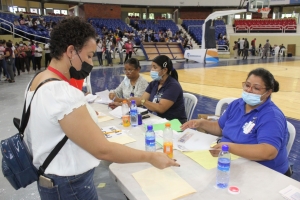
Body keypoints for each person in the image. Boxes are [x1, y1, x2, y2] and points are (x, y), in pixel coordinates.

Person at [24, 17, 178, 199]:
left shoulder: (38, 80)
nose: (90, 62)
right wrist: (151, 157)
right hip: (69, 184)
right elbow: (102, 149)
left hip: (52, 177)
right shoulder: (62, 91)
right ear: (71, 51)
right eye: (89, 56)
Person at [181, 68, 290, 175]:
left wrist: (228, 147)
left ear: (268, 92)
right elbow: (220, 128)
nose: (249, 90)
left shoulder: (272, 116)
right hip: (235, 162)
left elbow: (268, 152)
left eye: (256, 88)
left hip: (265, 173)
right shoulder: (237, 104)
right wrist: (201, 123)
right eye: (247, 85)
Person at [129, 55, 187, 124]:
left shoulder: (173, 86)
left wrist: (142, 101)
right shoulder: (154, 84)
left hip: (173, 123)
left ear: (164, 70)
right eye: (152, 67)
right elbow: (142, 100)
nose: (152, 70)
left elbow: (161, 108)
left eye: (155, 67)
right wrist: (122, 103)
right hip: (156, 120)